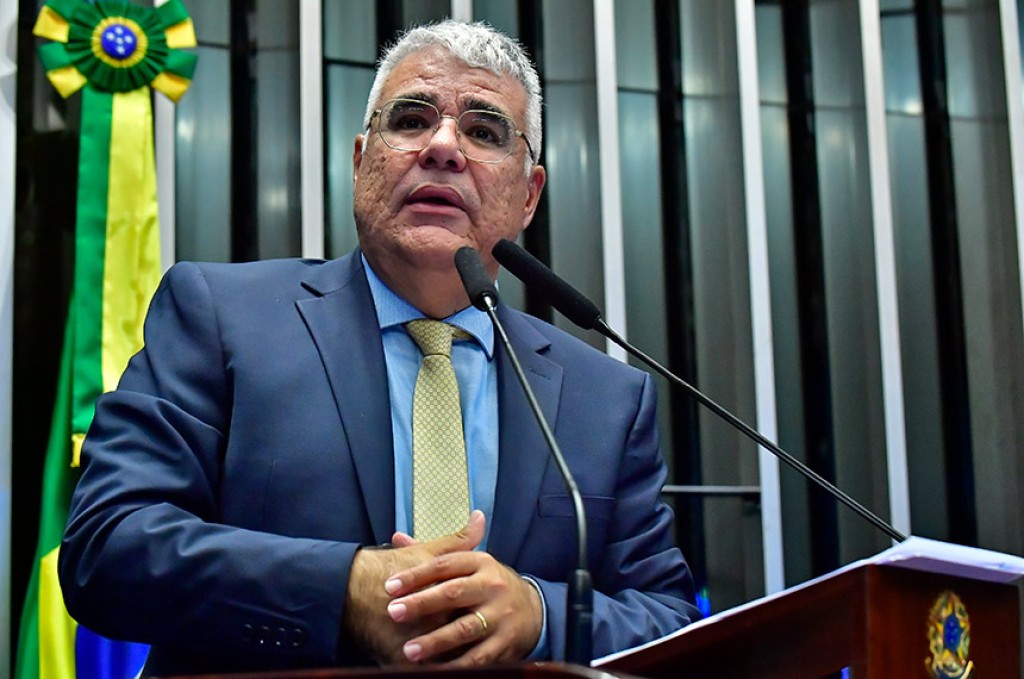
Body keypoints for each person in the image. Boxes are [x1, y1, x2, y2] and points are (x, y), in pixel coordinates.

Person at [58, 20, 700, 674]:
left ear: (529, 195)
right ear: (361, 160)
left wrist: (541, 616)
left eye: (484, 132)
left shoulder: (605, 398)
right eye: (411, 120)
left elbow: (672, 619)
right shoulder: (220, 317)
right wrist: (342, 590)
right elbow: (107, 547)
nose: (443, 147)